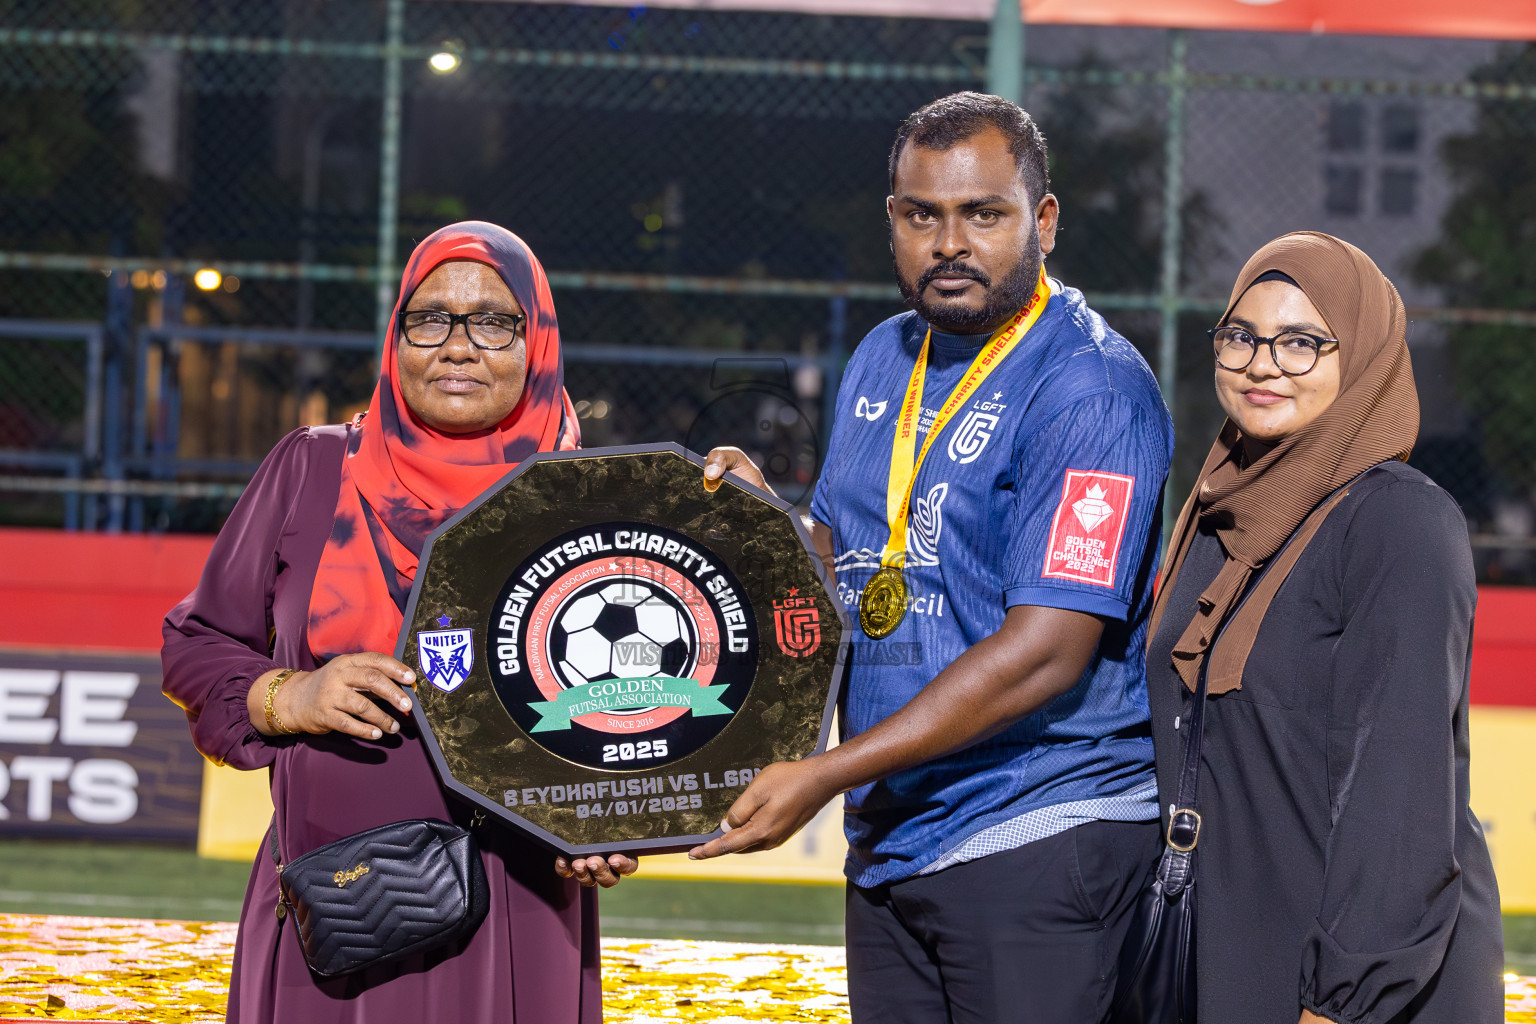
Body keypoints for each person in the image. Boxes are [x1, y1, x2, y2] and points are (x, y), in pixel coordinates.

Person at [693, 92, 1174, 1023]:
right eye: (924, 215)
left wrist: (825, 775)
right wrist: (762, 527)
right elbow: (849, 554)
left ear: (1042, 221)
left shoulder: (1093, 390)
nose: (949, 243)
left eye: (982, 214)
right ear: (893, 223)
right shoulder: (885, 353)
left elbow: (1049, 648)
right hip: (897, 835)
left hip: (1038, 830)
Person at [162, 221, 636, 1023]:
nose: (458, 346)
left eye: (493, 319)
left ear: (539, 341)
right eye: (430, 319)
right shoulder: (311, 469)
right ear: (396, 337)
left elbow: (656, 699)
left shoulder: (590, 501)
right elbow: (196, 643)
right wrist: (289, 696)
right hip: (341, 904)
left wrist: (620, 815)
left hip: (519, 906)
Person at [1144, 231, 1503, 1024]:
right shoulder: (1216, 515)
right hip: (1237, 952)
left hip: (1358, 992)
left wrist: (1342, 1002)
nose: (1263, 363)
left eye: (1303, 342)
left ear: (1363, 358)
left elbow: (1400, 798)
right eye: (1242, 336)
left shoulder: (1399, 523)